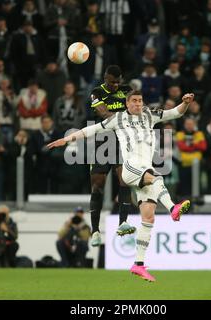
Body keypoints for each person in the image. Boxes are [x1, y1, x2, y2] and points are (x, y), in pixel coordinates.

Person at [47, 91, 194, 282]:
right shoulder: (118, 119)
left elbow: (175, 112)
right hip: (131, 168)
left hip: (145, 170)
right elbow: (90, 131)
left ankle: (138, 264)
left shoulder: (150, 115)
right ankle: (173, 208)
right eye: (134, 101)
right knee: (157, 178)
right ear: (127, 103)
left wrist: (186, 103)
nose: (138, 104)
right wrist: (65, 140)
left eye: (140, 101)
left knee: (148, 217)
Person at [87, 65, 136, 247]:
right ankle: (95, 231)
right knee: (97, 186)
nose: (115, 85)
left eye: (118, 81)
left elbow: (136, 110)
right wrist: (124, 115)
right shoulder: (97, 92)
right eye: (112, 81)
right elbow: (104, 115)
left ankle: (123, 222)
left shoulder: (127, 90)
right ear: (106, 78)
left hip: (123, 142)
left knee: (124, 180)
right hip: (102, 142)